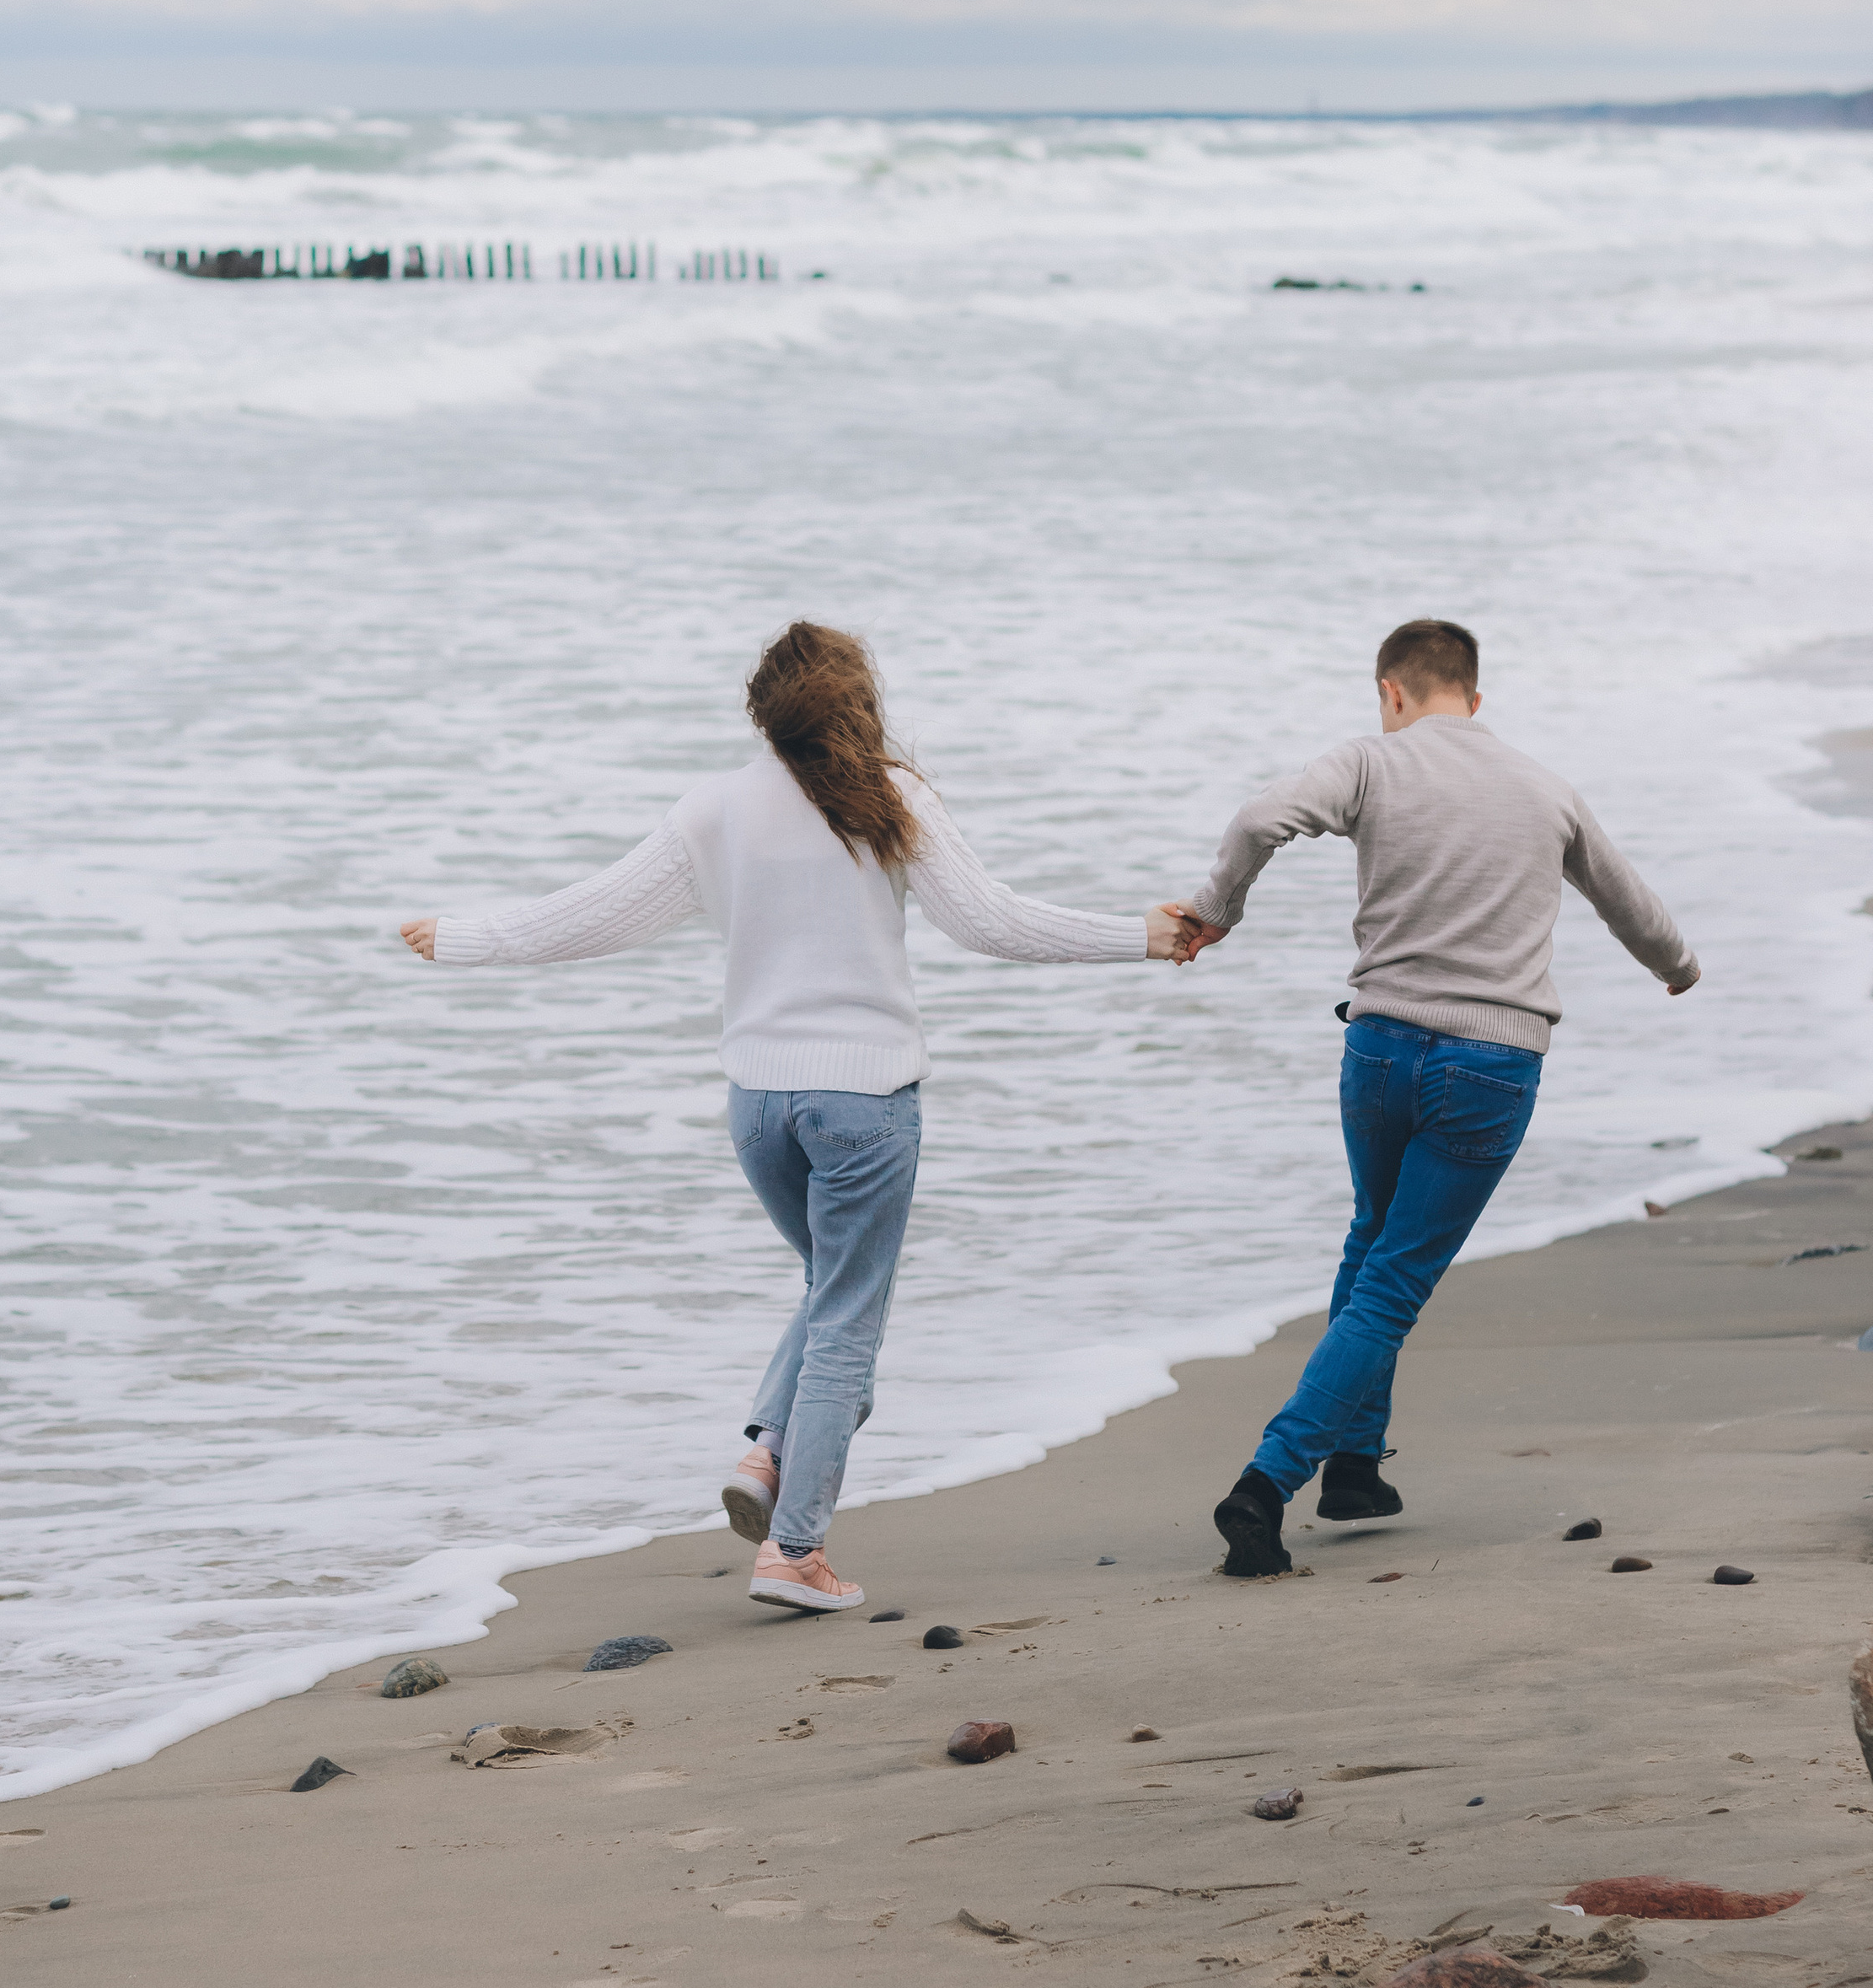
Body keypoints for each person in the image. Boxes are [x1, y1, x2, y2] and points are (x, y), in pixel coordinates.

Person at [401, 621, 1178, 1615]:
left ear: (761, 710)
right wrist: (1142, 939)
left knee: (827, 1288)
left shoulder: (714, 809)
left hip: (757, 1104)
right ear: (859, 702)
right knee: (849, 1316)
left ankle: (767, 1452)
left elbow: (590, 915)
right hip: (862, 1099)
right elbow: (996, 924)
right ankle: (794, 1552)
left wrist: (461, 938)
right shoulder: (892, 800)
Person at [1165, 617, 1699, 1579]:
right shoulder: (1543, 788)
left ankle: (1355, 1468)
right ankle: (1265, 1483)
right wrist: (1678, 967)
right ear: (1475, 698)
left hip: (1377, 1049)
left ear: (1392, 693)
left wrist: (1216, 909)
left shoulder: (1371, 763)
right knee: (1394, 1281)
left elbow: (1256, 820)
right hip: (1489, 1065)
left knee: (1372, 1243)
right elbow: (1629, 902)